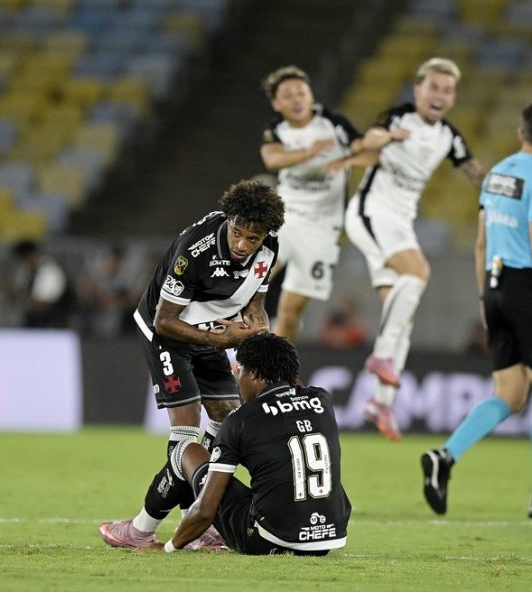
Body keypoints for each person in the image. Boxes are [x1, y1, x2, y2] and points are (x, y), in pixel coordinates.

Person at [421, 100, 532, 521]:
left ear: (520, 134)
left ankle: (445, 455)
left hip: (495, 287)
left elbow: (480, 244)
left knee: (510, 395)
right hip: (527, 288)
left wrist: (485, 299)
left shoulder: (496, 175)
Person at [99, 179, 285, 550]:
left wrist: (256, 335)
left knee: (227, 419)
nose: (242, 245)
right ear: (228, 220)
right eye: (237, 233)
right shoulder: (194, 252)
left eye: (253, 238)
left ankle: (195, 520)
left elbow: (256, 306)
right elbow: (164, 320)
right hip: (167, 336)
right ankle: (154, 527)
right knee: (186, 434)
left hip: (213, 333)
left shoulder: (269, 247)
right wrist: (221, 341)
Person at [334, 57, 486, 441]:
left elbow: (472, 170)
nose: (439, 95)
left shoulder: (449, 136)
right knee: (418, 272)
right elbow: (367, 141)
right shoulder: (399, 117)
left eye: (447, 90)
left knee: (404, 314)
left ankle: (380, 402)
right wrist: (388, 138)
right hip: (372, 212)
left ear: (452, 98)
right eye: (433, 87)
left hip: (399, 223)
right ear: (418, 90)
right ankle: (382, 356)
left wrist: (497, 190)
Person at [157, 333, 350, 555]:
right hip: (327, 539)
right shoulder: (322, 400)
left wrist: (168, 548)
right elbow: (296, 386)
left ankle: (140, 529)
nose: (237, 378)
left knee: (189, 452)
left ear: (255, 375)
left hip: (268, 541)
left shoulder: (241, 419)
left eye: (240, 370)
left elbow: (205, 512)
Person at [260, 65, 363, 343]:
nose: (296, 99)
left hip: (321, 229)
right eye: (288, 94)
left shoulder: (335, 125)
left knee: (291, 309)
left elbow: (363, 150)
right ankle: (226, 351)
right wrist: (310, 152)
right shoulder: (277, 130)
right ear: (277, 103)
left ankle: (275, 367)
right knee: (250, 283)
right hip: (286, 218)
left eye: (301, 92)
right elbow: (272, 159)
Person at [9, 240, 75, 329]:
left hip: (52, 326)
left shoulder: (50, 271)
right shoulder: (27, 272)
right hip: (35, 324)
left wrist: (21, 296)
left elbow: (42, 305)